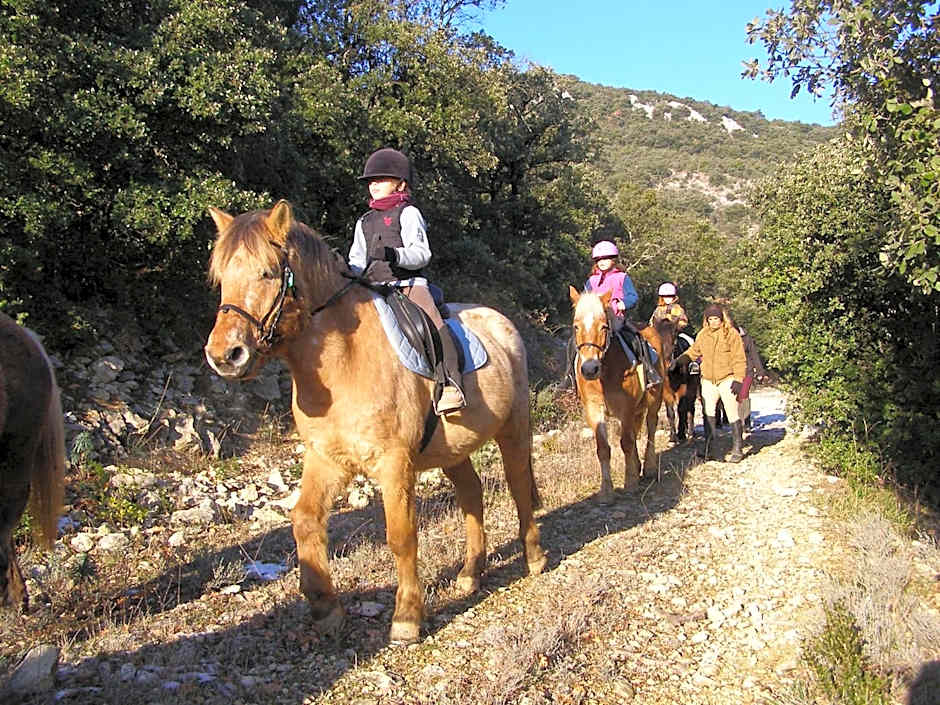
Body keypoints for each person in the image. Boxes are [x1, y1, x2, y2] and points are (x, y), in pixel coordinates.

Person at [348, 148, 465, 415]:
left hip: (408, 286)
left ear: (400, 183)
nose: (373, 184)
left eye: (381, 179)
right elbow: (356, 258)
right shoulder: (364, 221)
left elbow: (422, 254)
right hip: (372, 290)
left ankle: (450, 384)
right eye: (371, 180)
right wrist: (346, 270)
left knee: (432, 325)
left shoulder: (408, 213)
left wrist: (393, 255)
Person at [671, 304, 747, 462]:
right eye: (710, 319)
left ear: (722, 319)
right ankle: (709, 448)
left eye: (716, 319)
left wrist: (739, 379)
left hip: (727, 378)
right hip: (708, 380)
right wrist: (679, 361)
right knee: (708, 413)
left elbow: (739, 357)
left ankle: (737, 447)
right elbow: (693, 352)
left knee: (732, 413)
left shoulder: (731, 334)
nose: (713, 322)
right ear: (706, 320)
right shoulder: (702, 335)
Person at [584, 241, 661, 386]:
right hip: (596, 323)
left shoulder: (622, 277)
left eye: (606, 258)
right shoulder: (591, 281)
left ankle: (650, 371)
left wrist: (622, 303)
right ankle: (568, 376)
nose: (602, 262)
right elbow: (584, 299)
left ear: (613, 260)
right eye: (599, 259)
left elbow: (633, 296)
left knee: (638, 339)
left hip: (617, 320)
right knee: (573, 343)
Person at [734, 323, 770, 431]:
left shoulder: (746, 338)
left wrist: (760, 372)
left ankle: (745, 421)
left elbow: (754, 354)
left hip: (747, 370)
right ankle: (736, 422)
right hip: (732, 372)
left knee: (743, 395)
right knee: (735, 397)